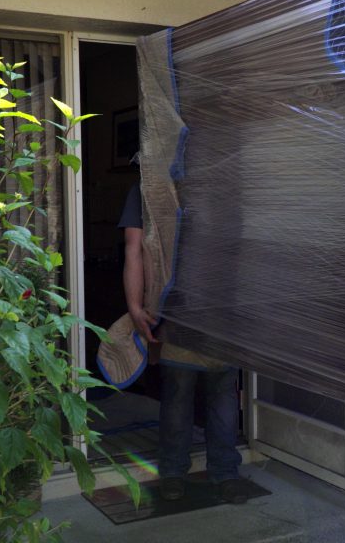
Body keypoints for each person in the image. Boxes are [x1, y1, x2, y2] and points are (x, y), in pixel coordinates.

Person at [119, 182, 248, 505]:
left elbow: (134, 249)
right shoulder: (149, 186)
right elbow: (134, 248)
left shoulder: (211, 181)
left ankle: (207, 473)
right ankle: (193, 473)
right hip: (175, 310)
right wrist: (136, 306)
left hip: (218, 309)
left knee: (209, 391)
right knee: (190, 390)